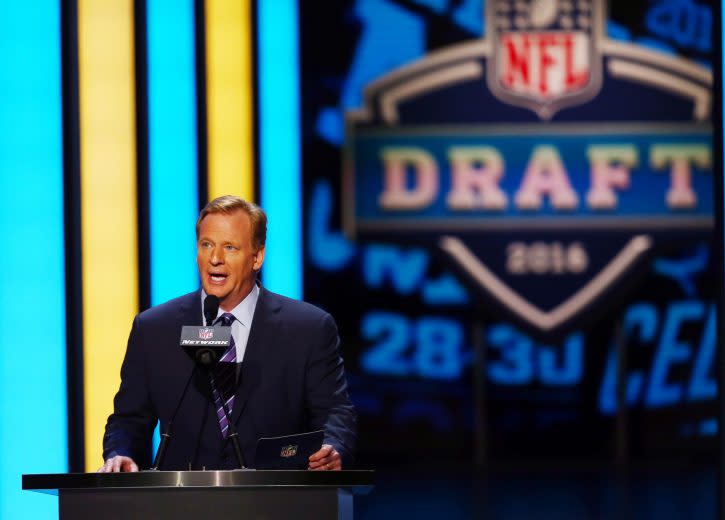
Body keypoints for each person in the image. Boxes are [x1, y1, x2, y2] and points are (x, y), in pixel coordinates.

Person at [99, 195, 356, 472]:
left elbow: (334, 412)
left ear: (257, 257)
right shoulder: (154, 329)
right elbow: (128, 419)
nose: (215, 259)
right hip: (181, 505)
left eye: (230, 247)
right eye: (206, 245)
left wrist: (333, 447)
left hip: (276, 503)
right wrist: (120, 454)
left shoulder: (308, 329)